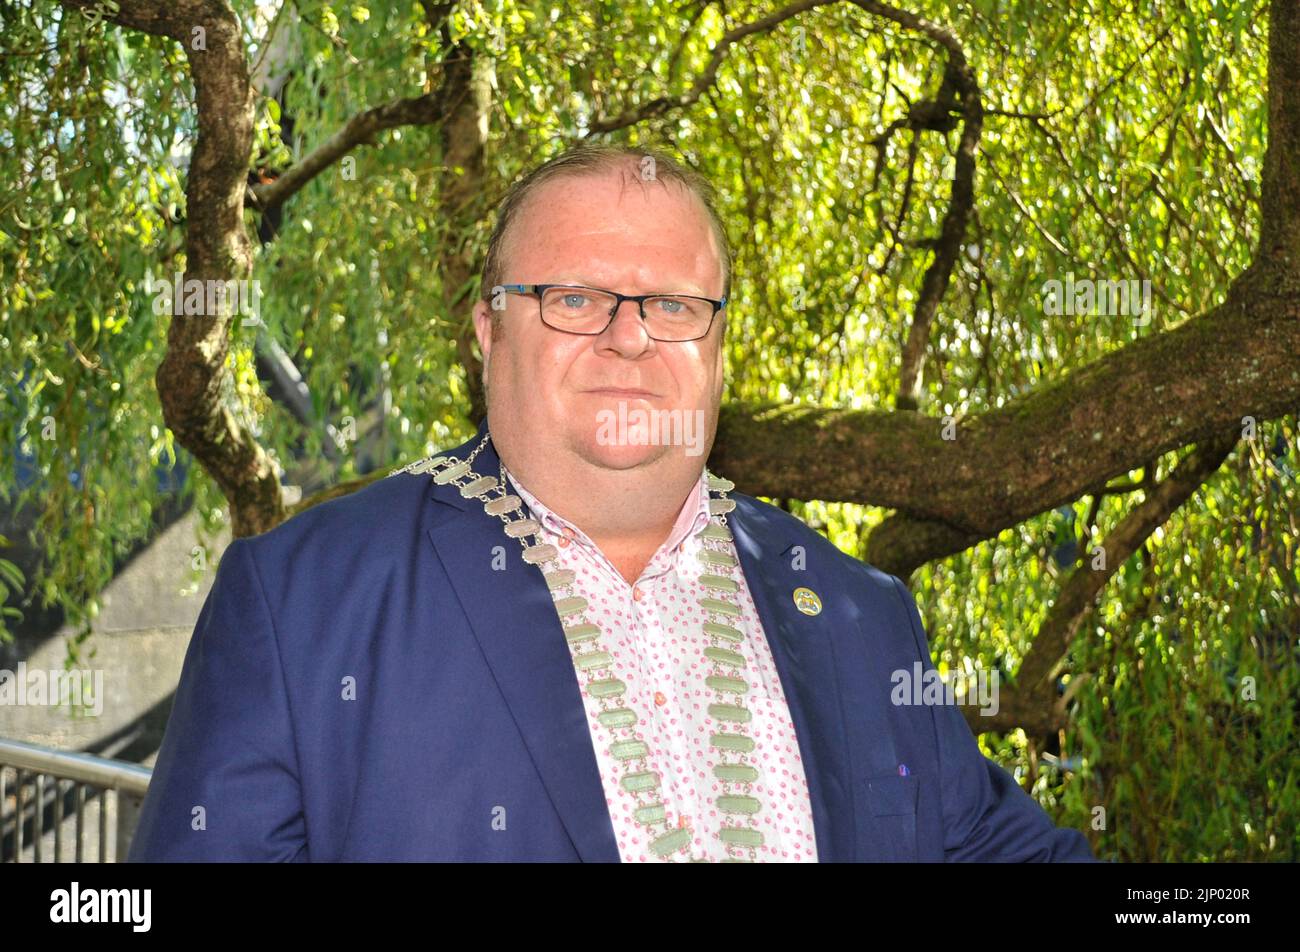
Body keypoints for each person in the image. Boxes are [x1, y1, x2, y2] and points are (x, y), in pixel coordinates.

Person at [128, 143, 1096, 862]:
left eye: (673, 305)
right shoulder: (305, 611)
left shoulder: (858, 615)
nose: (629, 338)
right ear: (487, 331)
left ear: (718, 352)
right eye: (577, 297)